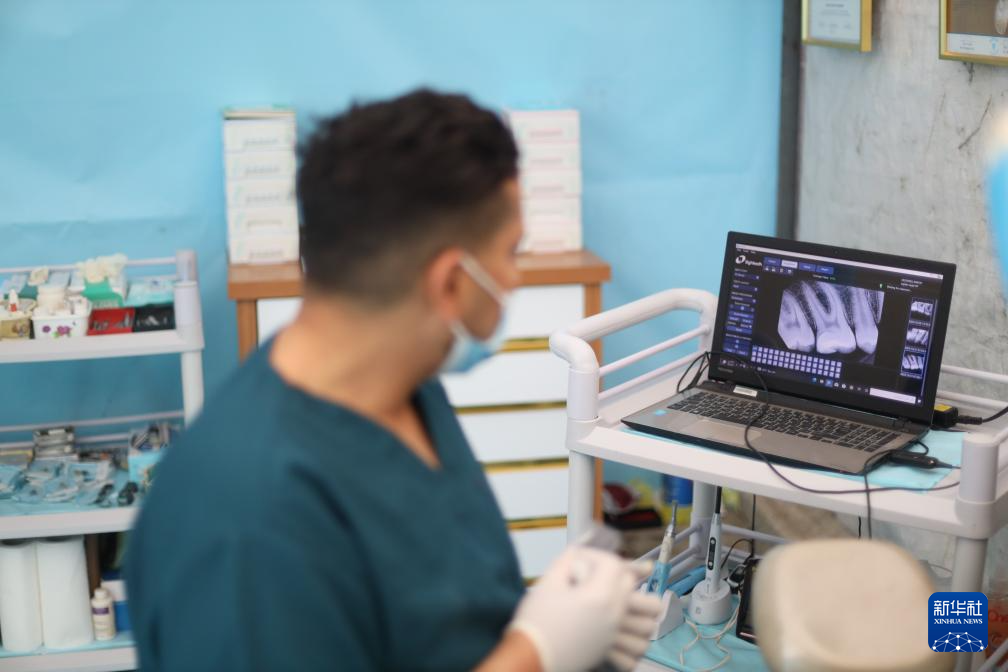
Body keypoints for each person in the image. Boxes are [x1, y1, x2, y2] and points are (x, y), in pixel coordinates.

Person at [126, 89, 661, 671]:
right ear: (450, 283)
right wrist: (537, 653)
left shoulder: (408, 385)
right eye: (511, 251)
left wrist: (569, 629)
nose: (515, 276)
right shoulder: (247, 521)